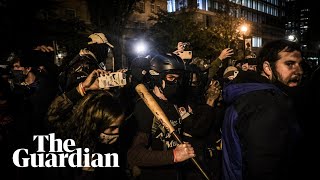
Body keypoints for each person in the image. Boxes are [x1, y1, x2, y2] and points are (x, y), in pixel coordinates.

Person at [222, 39, 304, 180]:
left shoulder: (253, 96)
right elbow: (264, 167)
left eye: (300, 64)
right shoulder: (265, 104)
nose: (299, 71)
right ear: (267, 67)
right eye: (289, 64)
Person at [46, 69, 127, 180]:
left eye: (118, 126)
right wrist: (83, 88)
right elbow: (53, 114)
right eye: (112, 128)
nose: (117, 132)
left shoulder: (108, 147)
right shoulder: (71, 142)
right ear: (97, 123)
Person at [127, 53, 196, 180]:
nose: (176, 82)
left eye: (179, 78)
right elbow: (134, 155)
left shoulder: (176, 103)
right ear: (158, 78)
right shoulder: (145, 107)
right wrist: (173, 156)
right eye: (171, 77)